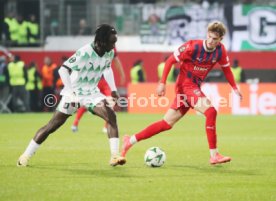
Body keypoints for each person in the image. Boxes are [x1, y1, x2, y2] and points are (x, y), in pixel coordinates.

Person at [122, 21, 242, 165]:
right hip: (185, 86)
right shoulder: (192, 46)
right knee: (211, 112)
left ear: (220, 39)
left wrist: (235, 88)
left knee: (166, 124)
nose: (210, 41)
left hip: (193, 87)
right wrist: (162, 83)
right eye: (209, 37)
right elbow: (170, 61)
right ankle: (214, 155)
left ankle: (130, 141)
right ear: (207, 34)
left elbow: (226, 69)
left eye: (215, 39)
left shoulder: (220, 51)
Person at [17, 24, 126, 167]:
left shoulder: (109, 52)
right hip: (74, 92)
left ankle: (114, 156)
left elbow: (107, 69)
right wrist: (70, 92)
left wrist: (113, 89)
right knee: (52, 126)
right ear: (102, 41)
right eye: (112, 42)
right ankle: (25, 156)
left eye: (115, 41)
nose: (114, 46)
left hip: (91, 92)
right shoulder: (84, 52)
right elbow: (63, 70)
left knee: (111, 116)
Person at [71, 50, 126, 133]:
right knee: (88, 102)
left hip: (102, 81)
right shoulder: (102, 47)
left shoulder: (108, 47)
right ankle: (76, 123)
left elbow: (115, 60)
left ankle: (105, 126)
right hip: (96, 80)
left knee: (110, 101)